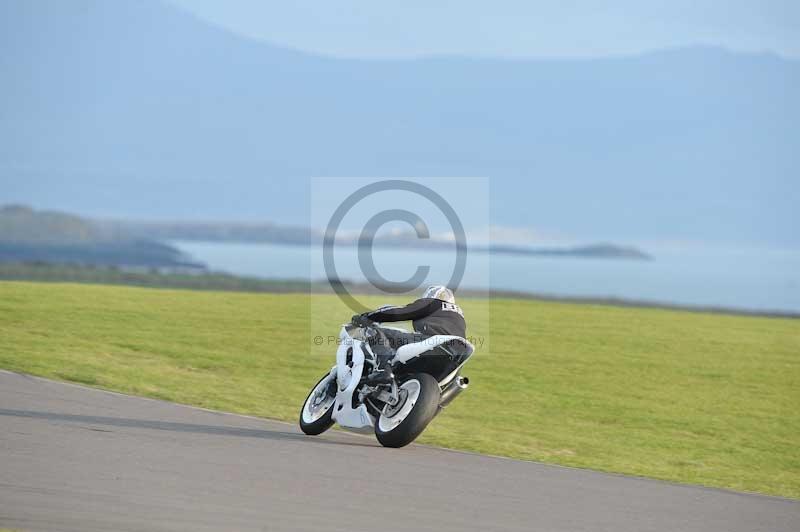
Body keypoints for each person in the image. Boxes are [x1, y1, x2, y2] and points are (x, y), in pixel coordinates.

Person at [352, 285, 466, 383]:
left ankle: (382, 369)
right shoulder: (459, 314)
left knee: (374, 332)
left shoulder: (433, 303)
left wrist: (368, 316)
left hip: (432, 342)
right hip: (456, 357)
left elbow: (398, 312)